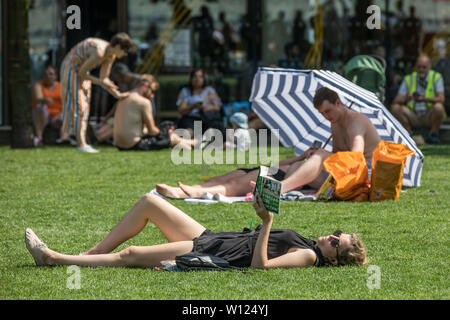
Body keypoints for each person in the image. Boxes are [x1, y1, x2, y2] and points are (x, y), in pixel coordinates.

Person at [24, 191, 367, 269]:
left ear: (335, 258)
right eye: (337, 233)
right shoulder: (309, 243)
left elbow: (261, 267)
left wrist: (267, 223)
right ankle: (93, 253)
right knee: (150, 202)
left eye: (337, 242)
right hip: (216, 236)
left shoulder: (309, 256)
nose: (331, 236)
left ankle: (54, 258)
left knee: (131, 256)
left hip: (215, 252)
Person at [158, 87, 381, 199]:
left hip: (358, 180)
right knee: (245, 173)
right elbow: (338, 158)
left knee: (260, 176)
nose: (327, 117)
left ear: (339, 103)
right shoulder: (337, 121)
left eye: (328, 111)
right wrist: (311, 155)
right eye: (323, 113)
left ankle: (279, 189)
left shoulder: (356, 121)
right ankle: (196, 189)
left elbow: (355, 158)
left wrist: (321, 155)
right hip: (335, 176)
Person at [60, 32, 136, 153]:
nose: (125, 54)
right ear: (117, 47)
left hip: (82, 71)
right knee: (79, 106)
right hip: (71, 68)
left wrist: (117, 94)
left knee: (85, 107)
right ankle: (80, 144)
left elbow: (104, 78)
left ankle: (81, 141)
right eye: (125, 51)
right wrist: (100, 83)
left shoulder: (110, 55)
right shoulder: (99, 52)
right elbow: (82, 74)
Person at [114, 75, 195, 151]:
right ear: (145, 85)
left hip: (119, 145)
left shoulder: (124, 97)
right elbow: (152, 131)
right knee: (170, 133)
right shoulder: (143, 102)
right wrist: (165, 133)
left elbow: (137, 129)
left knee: (178, 141)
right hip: (134, 144)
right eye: (152, 91)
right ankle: (195, 143)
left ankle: (192, 143)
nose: (152, 96)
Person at [391, 55, 445, 144]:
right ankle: (409, 134)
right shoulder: (409, 78)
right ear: (415, 67)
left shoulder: (436, 77)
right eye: (419, 67)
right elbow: (396, 100)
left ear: (429, 67)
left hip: (429, 115)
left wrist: (425, 99)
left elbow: (441, 99)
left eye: (424, 67)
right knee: (395, 108)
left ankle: (433, 135)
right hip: (413, 115)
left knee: (439, 107)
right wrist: (407, 98)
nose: (421, 70)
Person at [176, 68, 224, 138]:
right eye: (195, 76)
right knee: (189, 131)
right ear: (191, 78)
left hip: (207, 119)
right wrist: (193, 107)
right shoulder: (186, 91)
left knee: (215, 129)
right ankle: (182, 141)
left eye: (200, 76)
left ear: (204, 79)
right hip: (190, 119)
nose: (197, 79)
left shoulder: (209, 91)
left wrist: (205, 108)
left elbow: (217, 107)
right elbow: (181, 110)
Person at [31, 65, 70, 146]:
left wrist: (62, 113)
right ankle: (39, 138)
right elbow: (38, 99)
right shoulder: (38, 85)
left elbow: (67, 102)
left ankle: (64, 139)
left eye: (51, 74)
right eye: (46, 74)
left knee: (67, 115)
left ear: (56, 76)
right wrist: (45, 100)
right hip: (43, 116)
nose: (48, 76)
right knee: (41, 106)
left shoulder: (61, 86)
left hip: (57, 116)